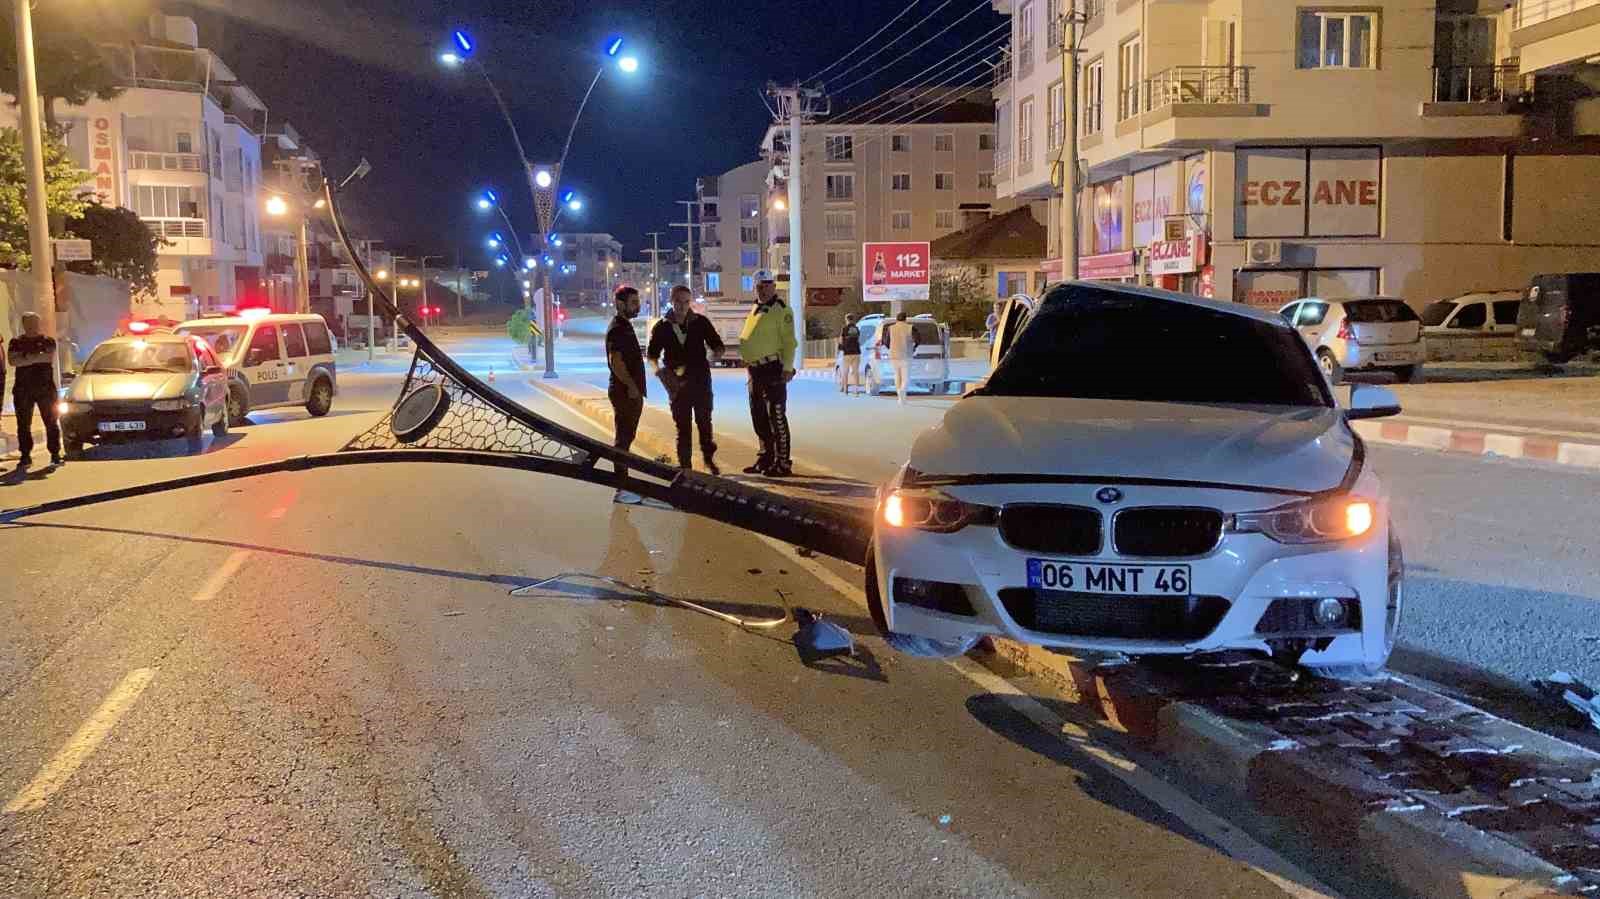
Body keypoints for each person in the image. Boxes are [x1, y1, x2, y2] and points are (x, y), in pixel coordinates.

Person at [647, 284, 725, 474]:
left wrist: (714, 356)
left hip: (700, 381)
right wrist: (659, 372)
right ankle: (685, 467)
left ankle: (709, 459)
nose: (682, 306)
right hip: (677, 385)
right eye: (678, 302)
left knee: (704, 423)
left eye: (686, 302)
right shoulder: (662, 327)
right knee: (682, 427)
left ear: (690, 302)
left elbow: (718, 346)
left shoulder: (701, 322)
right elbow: (652, 356)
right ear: (672, 302)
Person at [737, 270, 797, 477]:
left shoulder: (782, 310)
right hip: (755, 370)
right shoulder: (756, 308)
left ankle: (783, 462)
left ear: (773, 287)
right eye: (758, 286)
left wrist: (788, 368)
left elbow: (789, 342)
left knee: (776, 416)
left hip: (773, 369)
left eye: (765, 285)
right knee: (759, 416)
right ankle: (766, 457)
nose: (762, 290)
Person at [605, 286, 648, 504]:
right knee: (623, 440)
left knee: (626, 439)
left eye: (637, 302)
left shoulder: (625, 326)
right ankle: (621, 489)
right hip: (624, 392)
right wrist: (632, 386)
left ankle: (624, 485)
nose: (637, 306)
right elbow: (616, 362)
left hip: (630, 392)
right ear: (620, 304)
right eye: (633, 302)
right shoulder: (617, 329)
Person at [8, 312, 62, 467]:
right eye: (29, 322)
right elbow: (13, 361)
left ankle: (55, 453)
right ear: (24, 324)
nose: (32, 325)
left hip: (45, 389)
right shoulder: (15, 342)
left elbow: (47, 357)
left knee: (51, 422)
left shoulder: (48, 341)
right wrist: (35, 357)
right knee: (23, 424)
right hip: (23, 389)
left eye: (34, 322)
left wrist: (25, 358)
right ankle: (25, 455)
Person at [882, 311, 915, 406]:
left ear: (897, 319)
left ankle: (900, 398)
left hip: (894, 355)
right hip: (906, 355)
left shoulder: (890, 328)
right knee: (906, 377)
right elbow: (918, 339)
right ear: (905, 319)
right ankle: (902, 390)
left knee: (897, 375)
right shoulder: (910, 328)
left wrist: (891, 347)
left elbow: (886, 341)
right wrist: (914, 347)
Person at [838, 313, 862, 395]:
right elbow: (858, 339)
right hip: (856, 352)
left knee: (845, 371)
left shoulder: (844, 329)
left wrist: (841, 347)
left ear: (846, 319)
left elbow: (841, 340)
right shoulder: (856, 328)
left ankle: (845, 389)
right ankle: (856, 390)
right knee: (855, 372)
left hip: (847, 353)